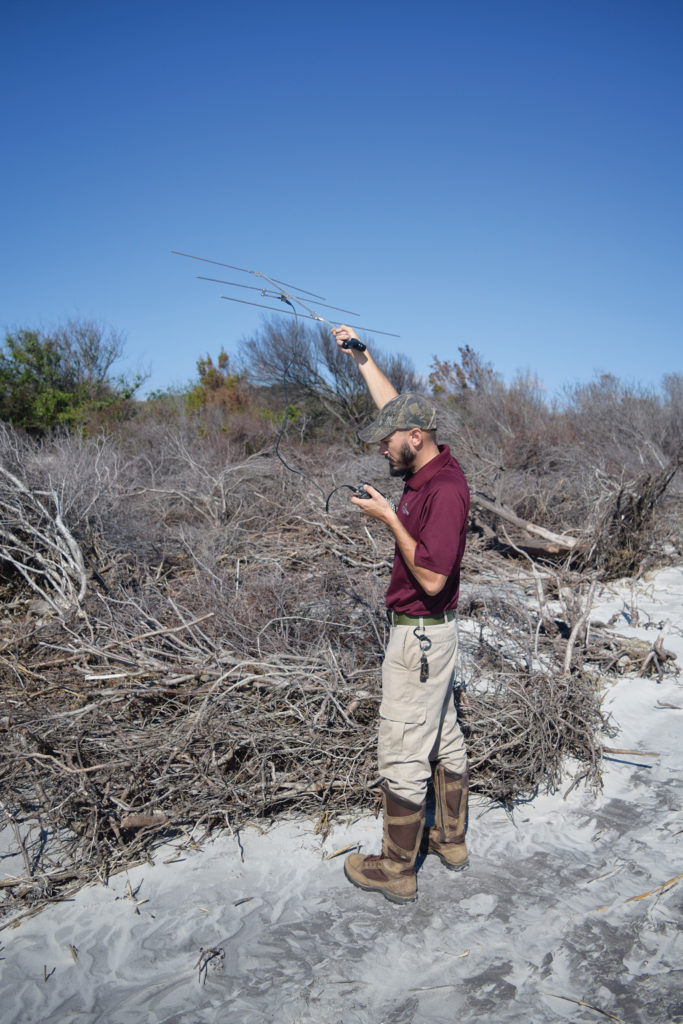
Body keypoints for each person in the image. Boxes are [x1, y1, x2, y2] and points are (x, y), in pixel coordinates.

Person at [332, 324, 471, 905]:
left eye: (387, 442)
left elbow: (435, 577)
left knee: (403, 749)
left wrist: (390, 519)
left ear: (415, 438)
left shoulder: (444, 491)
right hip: (432, 640)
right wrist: (362, 357)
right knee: (444, 734)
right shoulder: (425, 468)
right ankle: (451, 841)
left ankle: (396, 869)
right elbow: (393, 407)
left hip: (418, 640)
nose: (380, 448)